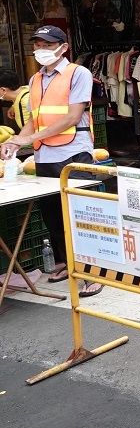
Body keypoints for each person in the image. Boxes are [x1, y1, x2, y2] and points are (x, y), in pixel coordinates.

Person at [0, 26, 101, 296]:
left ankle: (93, 271)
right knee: (53, 214)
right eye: (37, 44)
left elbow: (71, 117)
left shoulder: (78, 74)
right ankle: (64, 262)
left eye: (47, 44)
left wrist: (26, 139)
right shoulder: (34, 81)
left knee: (81, 213)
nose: (40, 49)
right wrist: (14, 141)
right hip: (44, 154)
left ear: (63, 47)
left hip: (73, 152)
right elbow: (34, 119)